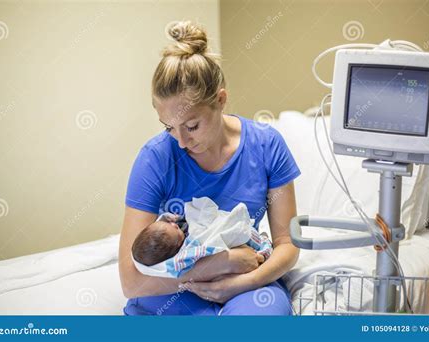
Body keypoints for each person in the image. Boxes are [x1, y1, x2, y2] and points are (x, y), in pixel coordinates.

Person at [119, 20, 301, 315]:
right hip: (175, 284)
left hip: (246, 275)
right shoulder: (155, 158)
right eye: (169, 128)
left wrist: (246, 279)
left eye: (192, 126)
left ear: (220, 99)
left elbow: (287, 243)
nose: (180, 141)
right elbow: (131, 281)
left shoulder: (267, 146)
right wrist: (219, 264)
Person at [131, 198, 273, 273]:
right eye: (172, 229)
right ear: (176, 246)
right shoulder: (189, 248)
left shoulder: (178, 224)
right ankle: (262, 248)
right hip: (233, 245)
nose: (173, 224)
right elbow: (207, 246)